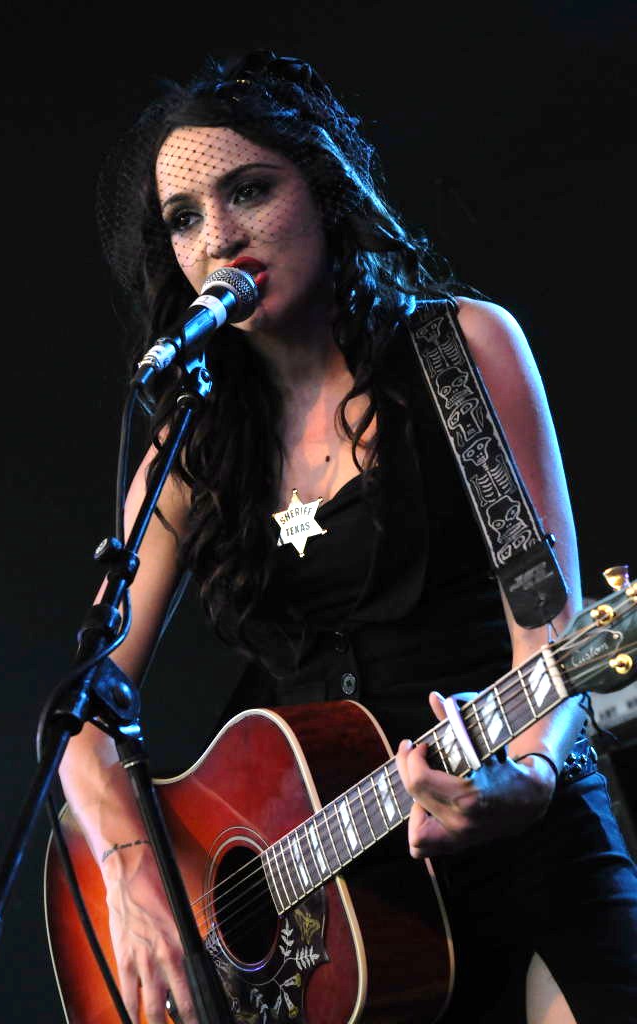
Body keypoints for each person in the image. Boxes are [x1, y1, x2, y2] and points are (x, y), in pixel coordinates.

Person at [58, 49, 637, 1024]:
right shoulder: (192, 447)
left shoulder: (459, 350)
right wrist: (131, 873)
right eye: (185, 218)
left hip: (522, 846)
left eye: (249, 190)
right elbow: (82, 713)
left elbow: (550, 630)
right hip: (337, 931)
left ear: (322, 191)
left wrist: (530, 776)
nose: (219, 237)